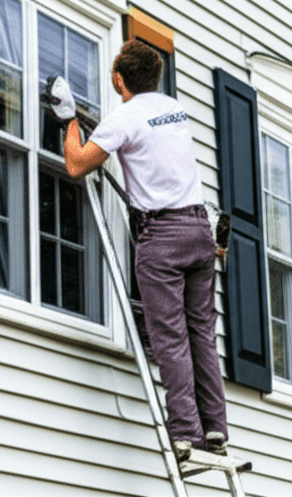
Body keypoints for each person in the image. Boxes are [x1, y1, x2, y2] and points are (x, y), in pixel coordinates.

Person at [62, 40, 227, 463]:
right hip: (198, 232)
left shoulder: (127, 117)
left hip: (163, 239)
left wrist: (68, 121)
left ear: (118, 79)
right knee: (201, 335)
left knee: (170, 338)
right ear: (155, 77)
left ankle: (186, 433)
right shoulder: (174, 110)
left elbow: (79, 163)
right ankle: (215, 428)